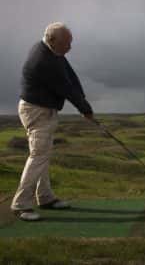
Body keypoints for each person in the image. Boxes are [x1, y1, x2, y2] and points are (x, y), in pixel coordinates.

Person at [10, 22, 94, 221]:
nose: (70, 47)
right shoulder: (44, 61)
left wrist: (84, 100)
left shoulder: (53, 52)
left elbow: (70, 76)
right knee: (39, 155)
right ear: (53, 41)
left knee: (43, 154)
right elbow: (65, 88)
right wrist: (85, 110)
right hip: (36, 111)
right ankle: (21, 204)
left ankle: (45, 197)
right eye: (67, 43)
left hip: (42, 109)